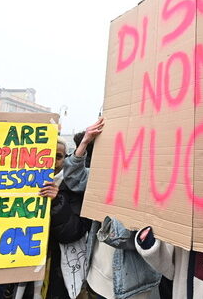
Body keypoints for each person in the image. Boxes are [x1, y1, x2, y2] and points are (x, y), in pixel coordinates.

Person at [60, 118, 161, 299]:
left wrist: (110, 226)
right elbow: (74, 178)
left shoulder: (154, 186)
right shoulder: (107, 175)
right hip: (96, 279)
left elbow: (142, 239)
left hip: (132, 287)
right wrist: (85, 142)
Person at [39, 140, 93, 299]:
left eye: (58, 156)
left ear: (65, 158)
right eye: (47, 155)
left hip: (58, 269)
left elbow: (73, 232)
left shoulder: (74, 188)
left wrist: (57, 201)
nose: (53, 162)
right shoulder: (20, 186)